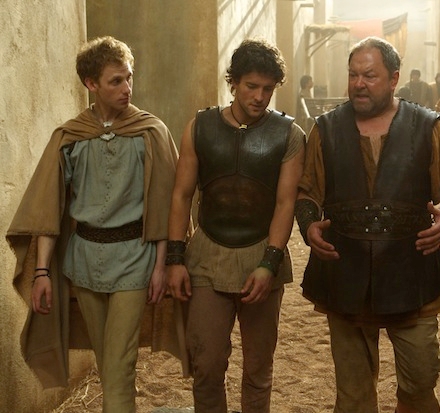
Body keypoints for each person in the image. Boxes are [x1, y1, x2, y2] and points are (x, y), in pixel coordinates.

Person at [295, 36, 440, 413]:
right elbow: (307, 191)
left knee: (421, 379)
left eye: (369, 76)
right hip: (345, 269)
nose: (359, 83)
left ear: (393, 79)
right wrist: (308, 225)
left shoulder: (426, 126)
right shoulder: (326, 128)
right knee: (353, 396)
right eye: (353, 75)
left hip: (412, 269)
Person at [6, 36, 179, 412]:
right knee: (106, 362)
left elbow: (166, 206)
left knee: (119, 365)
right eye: (116, 81)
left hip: (134, 259)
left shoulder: (151, 133)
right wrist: (41, 272)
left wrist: (160, 265)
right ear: (91, 84)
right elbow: (48, 209)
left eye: (129, 77)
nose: (127, 87)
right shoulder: (70, 137)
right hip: (84, 262)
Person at [166, 38, 305, 413]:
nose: (259, 97)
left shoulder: (289, 135)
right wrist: (175, 258)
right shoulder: (200, 126)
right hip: (207, 254)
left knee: (259, 368)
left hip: (262, 253)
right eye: (251, 86)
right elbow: (181, 195)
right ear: (233, 82)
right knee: (207, 364)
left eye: (268, 89)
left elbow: (285, 203)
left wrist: (269, 264)